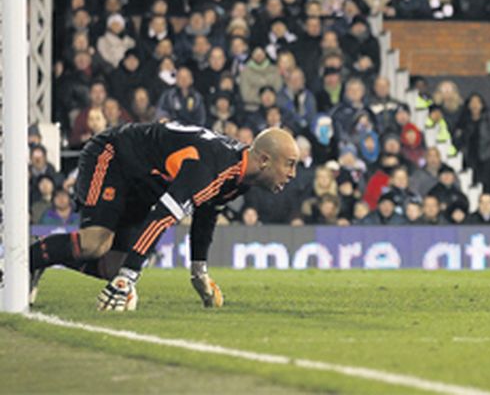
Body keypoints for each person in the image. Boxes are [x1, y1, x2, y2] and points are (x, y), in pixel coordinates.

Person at [28, 123, 299, 310]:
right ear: (264, 160)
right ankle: (22, 259)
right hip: (112, 156)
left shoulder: (238, 174)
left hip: (142, 182)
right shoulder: (213, 166)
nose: (293, 174)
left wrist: (199, 273)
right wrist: (127, 279)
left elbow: (206, 214)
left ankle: (46, 252)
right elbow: (162, 217)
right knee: (96, 243)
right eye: (290, 164)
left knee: (111, 266)